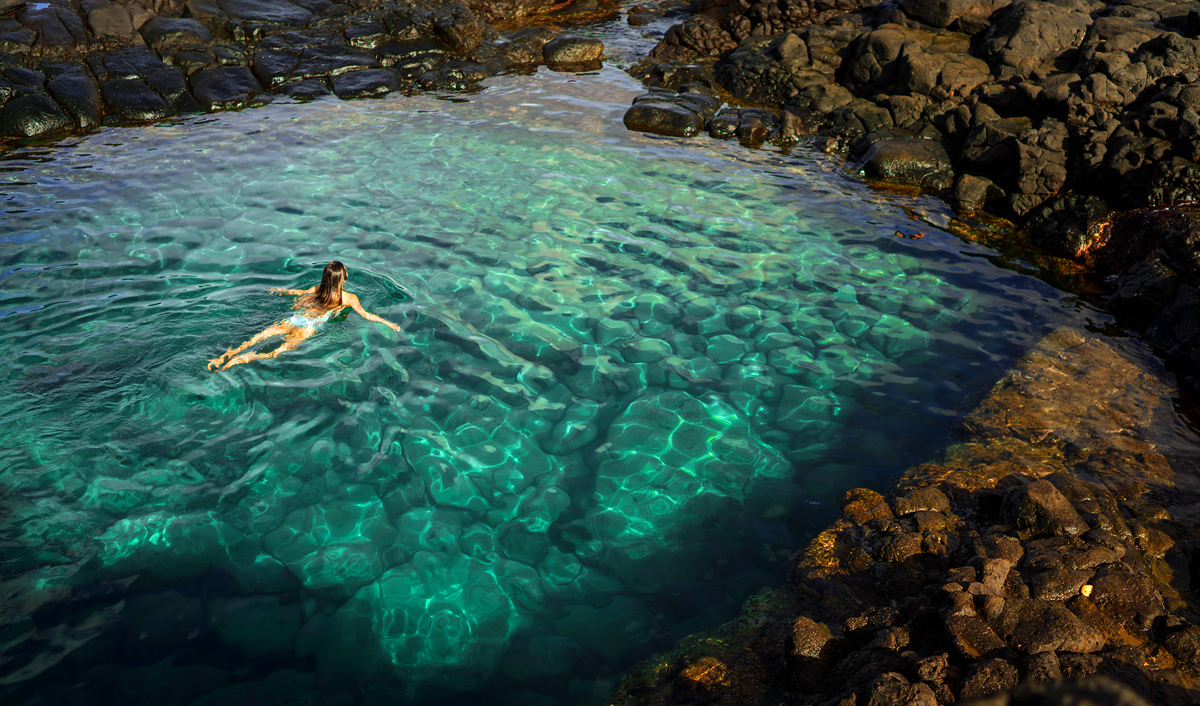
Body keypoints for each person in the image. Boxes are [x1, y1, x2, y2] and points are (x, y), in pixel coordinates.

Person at [208, 260, 402, 371]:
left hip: (295, 319)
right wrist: (388, 322)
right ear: (343, 278)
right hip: (309, 327)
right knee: (274, 352)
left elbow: (299, 294)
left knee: (255, 338)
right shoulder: (349, 298)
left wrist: (281, 290)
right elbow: (367, 315)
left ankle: (224, 357)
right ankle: (238, 361)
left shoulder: (316, 288)